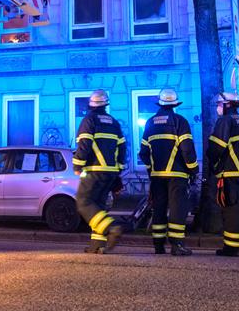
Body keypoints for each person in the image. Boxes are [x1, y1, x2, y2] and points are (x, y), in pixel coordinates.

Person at [138, 88, 198, 256]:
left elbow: (143, 153)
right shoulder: (180, 121)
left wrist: (152, 171)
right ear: (175, 104)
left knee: (159, 208)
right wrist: (193, 169)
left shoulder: (150, 123)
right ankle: (177, 245)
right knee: (178, 208)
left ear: (160, 103)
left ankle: (158, 245)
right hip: (177, 176)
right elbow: (187, 149)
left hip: (157, 177)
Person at [73, 89, 127, 254]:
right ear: (106, 104)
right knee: (98, 205)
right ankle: (98, 245)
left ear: (91, 105)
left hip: (94, 170)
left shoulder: (89, 120)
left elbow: (84, 145)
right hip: (110, 172)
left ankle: (112, 228)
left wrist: (77, 165)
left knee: (83, 202)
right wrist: (118, 171)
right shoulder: (114, 122)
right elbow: (123, 148)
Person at [207, 92, 239, 257]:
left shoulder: (225, 121)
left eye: (219, 104)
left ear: (227, 105)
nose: (217, 108)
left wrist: (214, 165)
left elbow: (217, 147)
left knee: (232, 211)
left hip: (230, 174)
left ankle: (231, 247)